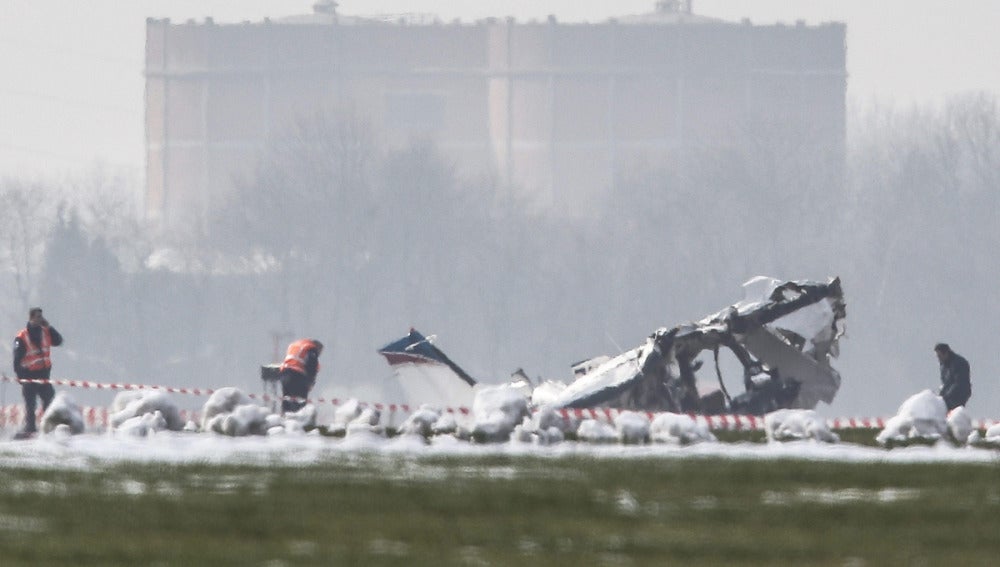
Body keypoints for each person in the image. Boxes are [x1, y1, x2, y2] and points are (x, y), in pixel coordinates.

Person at [12, 307, 63, 437]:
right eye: (38, 316)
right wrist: (22, 379)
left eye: (41, 316)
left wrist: (49, 326)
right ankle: (30, 428)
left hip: (44, 376)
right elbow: (17, 361)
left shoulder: (45, 332)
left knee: (49, 400)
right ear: (31, 318)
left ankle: (47, 427)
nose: (41, 319)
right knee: (30, 405)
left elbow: (58, 341)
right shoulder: (22, 336)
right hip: (29, 376)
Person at [278, 338, 323, 413]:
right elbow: (311, 365)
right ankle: (298, 419)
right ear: (317, 347)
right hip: (297, 375)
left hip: (284, 373)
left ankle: (285, 417)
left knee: (287, 399)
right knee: (299, 401)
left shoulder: (297, 345)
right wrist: (310, 381)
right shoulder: (311, 348)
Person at [935, 343, 971, 410]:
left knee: (953, 412)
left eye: (939, 356)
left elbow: (959, 382)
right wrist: (940, 397)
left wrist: (946, 397)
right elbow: (945, 383)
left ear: (946, 353)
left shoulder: (959, 363)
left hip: (960, 394)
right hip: (948, 396)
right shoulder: (943, 365)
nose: (938, 359)